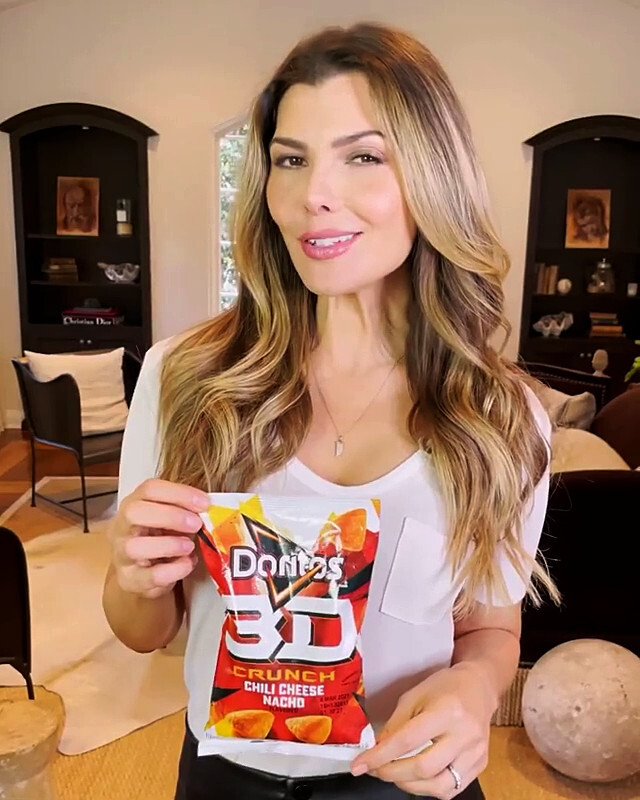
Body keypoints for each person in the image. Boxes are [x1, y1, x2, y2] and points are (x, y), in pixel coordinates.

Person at [103, 21, 556, 800]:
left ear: (434, 179)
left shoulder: (501, 417)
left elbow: (489, 626)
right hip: (224, 779)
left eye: (363, 156)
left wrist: (477, 689)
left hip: (404, 783)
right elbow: (144, 632)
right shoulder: (186, 377)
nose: (313, 194)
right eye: (290, 159)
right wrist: (131, 578)